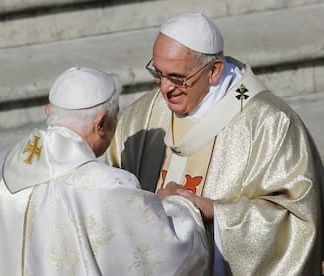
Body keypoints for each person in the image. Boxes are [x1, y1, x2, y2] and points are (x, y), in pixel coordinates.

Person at [106, 12, 324, 275]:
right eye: (158, 73)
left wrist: (214, 212)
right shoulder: (140, 118)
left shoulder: (269, 122)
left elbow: (298, 221)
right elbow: (113, 199)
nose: (165, 88)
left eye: (178, 77)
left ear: (214, 71)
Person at [0, 66, 209, 276]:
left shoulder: (1, 163)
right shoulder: (103, 186)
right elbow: (170, 251)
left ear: (48, 111)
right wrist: (177, 205)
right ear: (101, 124)